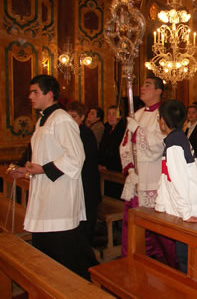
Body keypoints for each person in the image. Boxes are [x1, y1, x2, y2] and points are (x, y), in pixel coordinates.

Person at [9, 75, 95, 279]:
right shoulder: (42, 120)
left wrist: (44, 170)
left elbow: (76, 156)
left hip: (60, 196)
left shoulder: (62, 119)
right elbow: (43, 155)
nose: (30, 96)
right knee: (45, 252)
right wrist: (27, 170)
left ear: (49, 94)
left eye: (35, 92)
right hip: (46, 193)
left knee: (63, 252)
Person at [155, 100, 197, 284]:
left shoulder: (174, 143)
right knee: (196, 262)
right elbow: (167, 178)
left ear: (163, 121)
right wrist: (161, 205)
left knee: (191, 263)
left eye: (159, 118)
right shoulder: (177, 138)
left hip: (193, 211)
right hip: (190, 209)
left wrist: (186, 213)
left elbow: (178, 181)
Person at [119, 76, 176, 267]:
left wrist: (139, 131)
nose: (142, 88)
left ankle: (163, 266)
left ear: (159, 91)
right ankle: (132, 262)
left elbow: (158, 145)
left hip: (153, 176)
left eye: (148, 85)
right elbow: (125, 144)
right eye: (142, 84)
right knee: (132, 223)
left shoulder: (163, 114)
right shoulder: (137, 113)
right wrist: (130, 168)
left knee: (155, 227)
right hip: (136, 177)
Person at [67, 101, 102, 246]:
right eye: (69, 117)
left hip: (87, 187)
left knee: (86, 227)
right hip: (77, 187)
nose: (71, 121)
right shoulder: (71, 133)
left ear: (82, 117)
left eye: (74, 117)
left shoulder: (86, 135)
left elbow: (84, 162)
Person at [99, 105, 126, 199]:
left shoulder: (123, 130)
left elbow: (118, 151)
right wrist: (100, 163)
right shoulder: (107, 128)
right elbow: (102, 147)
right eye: (109, 114)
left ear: (120, 116)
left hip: (116, 166)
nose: (110, 117)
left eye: (113, 114)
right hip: (106, 167)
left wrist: (107, 165)